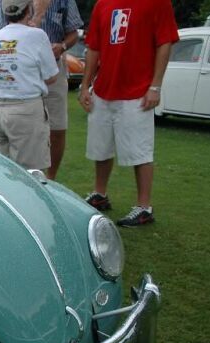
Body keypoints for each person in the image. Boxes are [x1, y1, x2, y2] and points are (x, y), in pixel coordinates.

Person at [79, 0, 178, 227]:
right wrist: (85, 86)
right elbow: (94, 47)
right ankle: (100, 194)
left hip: (137, 90)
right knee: (100, 147)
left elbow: (164, 43)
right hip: (103, 89)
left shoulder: (157, 3)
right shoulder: (102, 4)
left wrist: (155, 86)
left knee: (140, 151)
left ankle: (144, 207)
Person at [0, 0, 82, 180]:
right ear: (28, 9)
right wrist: (38, 17)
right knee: (30, 173)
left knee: (1, 170)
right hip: (26, 105)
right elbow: (51, 77)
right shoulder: (37, 35)